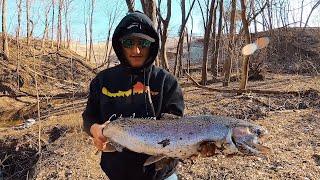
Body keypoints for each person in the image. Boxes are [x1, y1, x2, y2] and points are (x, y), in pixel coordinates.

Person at [82, 11, 184, 180]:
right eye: (129, 42)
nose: (136, 50)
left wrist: (194, 147)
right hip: (118, 173)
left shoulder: (167, 82)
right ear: (120, 45)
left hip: (161, 174)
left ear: (151, 44)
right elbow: (89, 117)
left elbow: (178, 128)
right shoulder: (102, 81)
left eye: (143, 43)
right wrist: (94, 129)